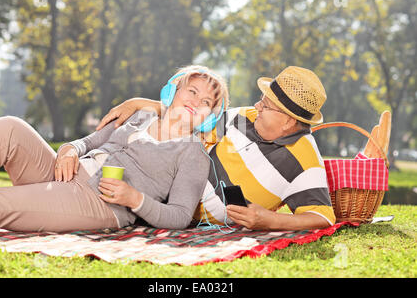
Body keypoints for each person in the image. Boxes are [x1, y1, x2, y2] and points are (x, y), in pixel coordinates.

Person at [0, 65, 229, 232]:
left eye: (206, 101)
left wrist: (135, 200)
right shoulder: (139, 116)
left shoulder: (193, 153)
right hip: (63, 174)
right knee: (9, 127)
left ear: (210, 117)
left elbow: (180, 216)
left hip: (96, 203)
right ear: (173, 91)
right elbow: (88, 142)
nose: (196, 101)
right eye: (192, 91)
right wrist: (69, 149)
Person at [96, 66, 336, 231]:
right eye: (261, 100)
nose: (256, 106)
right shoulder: (245, 117)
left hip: (170, 214)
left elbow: (322, 217)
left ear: (288, 121)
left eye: (266, 105)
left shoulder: (304, 160)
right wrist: (140, 103)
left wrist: (269, 220)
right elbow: (193, 116)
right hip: (159, 191)